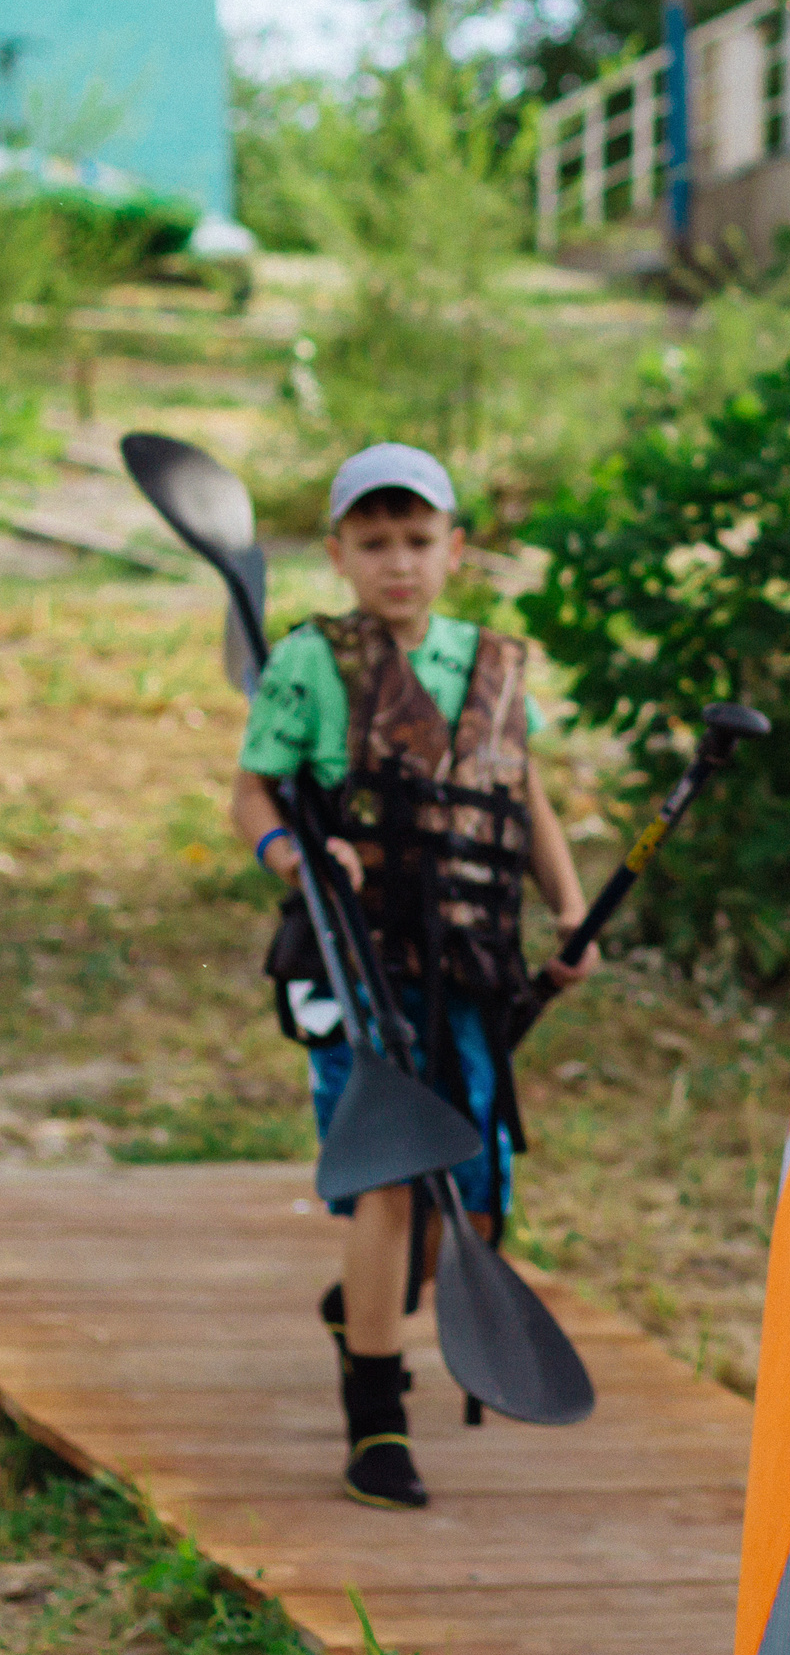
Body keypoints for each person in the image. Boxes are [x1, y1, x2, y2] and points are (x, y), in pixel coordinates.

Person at [227, 444, 599, 1512]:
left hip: (470, 965)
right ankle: (376, 1417)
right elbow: (253, 793)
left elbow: (524, 799)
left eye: (418, 540)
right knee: (392, 1177)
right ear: (339, 553)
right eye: (375, 542)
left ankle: (366, 1302)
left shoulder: (494, 667)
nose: (398, 562)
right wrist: (296, 858)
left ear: (455, 550)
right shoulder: (311, 662)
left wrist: (570, 911)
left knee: (468, 1201)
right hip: (359, 964)